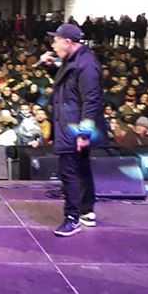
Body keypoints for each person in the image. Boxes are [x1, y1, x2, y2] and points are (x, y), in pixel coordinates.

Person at [38, 23, 106, 237]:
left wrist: (84, 134)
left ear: (68, 42)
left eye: (56, 40)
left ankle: (72, 218)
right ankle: (87, 211)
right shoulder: (75, 60)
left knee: (69, 172)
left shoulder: (87, 65)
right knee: (82, 168)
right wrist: (50, 66)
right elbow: (68, 86)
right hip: (70, 123)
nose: (53, 44)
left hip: (75, 127)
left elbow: (92, 100)